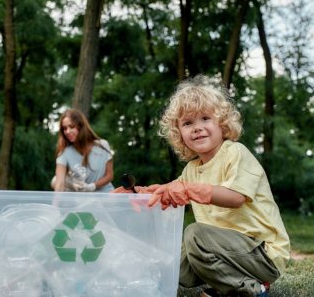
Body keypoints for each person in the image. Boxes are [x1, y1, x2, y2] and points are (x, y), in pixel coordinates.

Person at [113, 75, 290, 297]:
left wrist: (188, 190)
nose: (197, 128)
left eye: (205, 118)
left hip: (263, 254)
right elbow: (168, 192)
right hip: (227, 252)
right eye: (188, 123)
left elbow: (235, 197)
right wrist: (136, 194)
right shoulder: (192, 169)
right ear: (179, 133)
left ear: (222, 123)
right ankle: (226, 284)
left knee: (194, 235)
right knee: (174, 266)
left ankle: (250, 288)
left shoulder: (235, 152)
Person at [52, 108, 114, 193]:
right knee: (54, 181)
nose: (67, 131)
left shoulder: (102, 145)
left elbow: (109, 175)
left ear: (81, 126)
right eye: (64, 128)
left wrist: (93, 186)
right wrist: (55, 206)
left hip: (106, 195)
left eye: (72, 126)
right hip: (84, 199)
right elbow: (59, 185)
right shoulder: (65, 153)